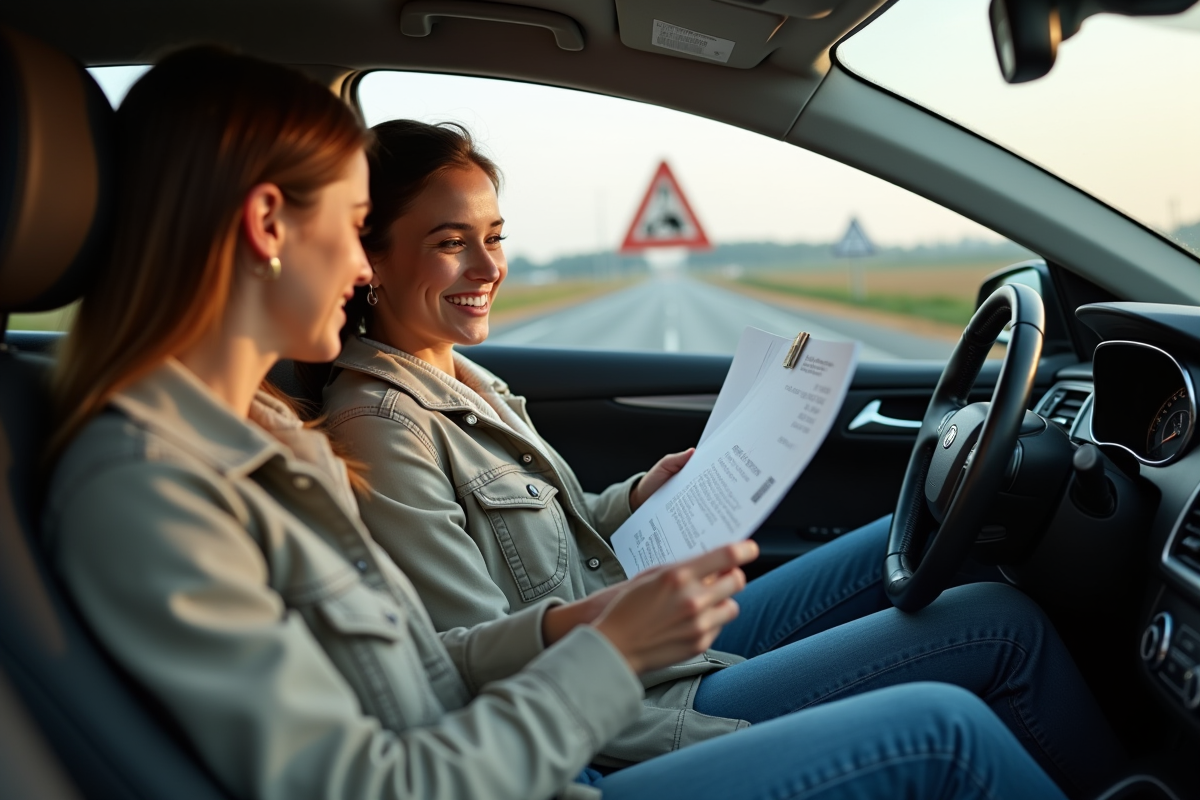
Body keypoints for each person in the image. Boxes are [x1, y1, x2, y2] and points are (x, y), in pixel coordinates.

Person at [40, 47, 1076, 800]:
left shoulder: (256, 433)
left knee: (969, 606)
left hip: (539, 745)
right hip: (546, 760)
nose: (359, 270)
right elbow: (374, 781)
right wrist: (606, 652)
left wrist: (596, 594)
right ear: (269, 224)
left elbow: (427, 668)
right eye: (358, 231)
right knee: (947, 720)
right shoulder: (152, 490)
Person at [319, 119, 1125, 799]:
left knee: (939, 563)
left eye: (494, 238)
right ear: (371, 260)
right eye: (450, 243)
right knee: (980, 673)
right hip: (610, 715)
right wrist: (613, 625)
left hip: (633, 640)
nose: (490, 268)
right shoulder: (382, 426)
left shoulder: (463, 377)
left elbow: (533, 537)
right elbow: (462, 653)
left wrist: (637, 497)